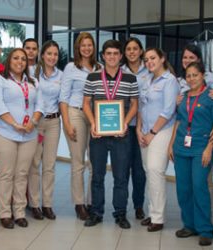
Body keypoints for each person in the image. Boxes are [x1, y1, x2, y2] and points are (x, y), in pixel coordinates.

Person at [82, 40, 138, 228]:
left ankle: (120, 214)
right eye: (109, 53)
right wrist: (92, 124)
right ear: (103, 56)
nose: (112, 56)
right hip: (98, 135)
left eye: (116, 53)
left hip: (121, 135)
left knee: (121, 177)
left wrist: (124, 123)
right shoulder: (92, 77)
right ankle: (96, 213)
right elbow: (86, 103)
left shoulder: (131, 78)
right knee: (97, 176)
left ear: (121, 56)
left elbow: (135, 105)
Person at [168, 62, 213, 246]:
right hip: (181, 147)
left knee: (199, 186)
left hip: (202, 147)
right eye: (188, 75)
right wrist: (170, 145)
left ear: (203, 76)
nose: (191, 78)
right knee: (183, 188)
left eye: (195, 75)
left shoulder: (212, 97)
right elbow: (178, 122)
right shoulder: (183, 97)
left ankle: (205, 230)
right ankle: (189, 225)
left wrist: (209, 148)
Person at [0, 48, 43, 229]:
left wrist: (33, 122)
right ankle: (5, 213)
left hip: (29, 134)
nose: (20, 62)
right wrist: (15, 124)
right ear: (8, 60)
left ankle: (19, 212)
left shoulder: (33, 81)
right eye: (16, 58)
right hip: (4, 133)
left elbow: (39, 105)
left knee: (22, 174)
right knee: (6, 174)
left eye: (23, 59)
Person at [59, 32, 101, 220]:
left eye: (89, 45)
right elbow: (63, 97)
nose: (86, 48)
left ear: (93, 47)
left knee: (95, 162)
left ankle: (92, 202)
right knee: (78, 162)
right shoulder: (70, 67)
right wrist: (66, 123)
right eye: (83, 45)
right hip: (75, 113)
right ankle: (79, 204)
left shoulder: (99, 67)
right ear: (78, 48)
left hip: (95, 115)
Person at [137, 47, 179, 232]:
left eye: (153, 58)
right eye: (146, 60)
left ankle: (158, 218)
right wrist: (139, 129)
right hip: (145, 131)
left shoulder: (169, 80)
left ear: (162, 58)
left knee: (155, 171)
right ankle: (152, 213)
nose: (149, 62)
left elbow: (169, 110)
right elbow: (141, 105)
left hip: (161, 131)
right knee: (149, 172)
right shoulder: (146, 79)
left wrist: (152, 133)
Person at [28, 40, 62, 220]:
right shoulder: (32, 74)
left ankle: (47, 204)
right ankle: (34, 204)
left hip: (54, 123)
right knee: (34, 165)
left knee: (49, 166)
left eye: (55, 54)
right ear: (42, 55)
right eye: (49, 53)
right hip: (36, 122)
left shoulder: (61, 75)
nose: (52, 57)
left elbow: (63, 100)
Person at [121, 37, 149, 220]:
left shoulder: (151, 69)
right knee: (122, 169)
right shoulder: (120, 71)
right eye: (128, 49)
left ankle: (138, 205)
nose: (131, 52)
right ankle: (121, 208)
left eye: (135, 48)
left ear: (141, 51)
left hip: (144, 127)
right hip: (124, 126)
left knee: (140, 170)